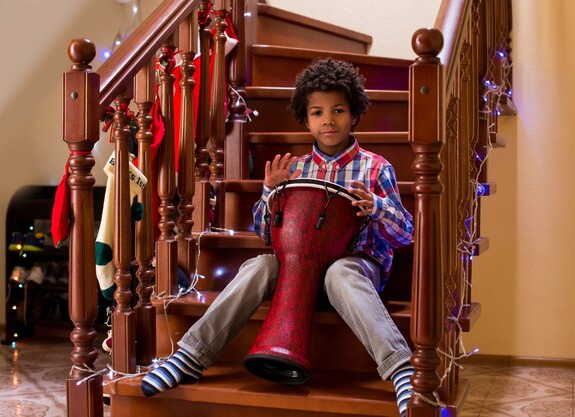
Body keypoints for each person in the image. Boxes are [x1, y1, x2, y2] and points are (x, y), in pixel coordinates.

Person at [141, 58, 415, 416]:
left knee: (341, 272)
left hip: (351, 272)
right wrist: (271, 193)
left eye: (338, 110)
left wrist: (377, 206)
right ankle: (189, 357)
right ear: (305, 118)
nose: (328, 120)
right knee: (258, 265)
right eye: (317, 112)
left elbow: (405, 234)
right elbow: (265, 234)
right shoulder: (295, 168)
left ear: (354, 115)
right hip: (294, 273)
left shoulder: (377, 167)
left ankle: (401, 369)